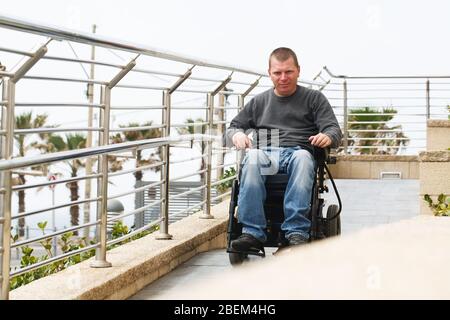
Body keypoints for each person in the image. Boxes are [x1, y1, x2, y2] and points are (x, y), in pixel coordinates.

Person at [225, 47, 342, 252]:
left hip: (298, 152)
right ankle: (252, 233)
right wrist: (237, 135)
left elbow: (333, 129)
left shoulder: (314, 99)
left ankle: (296, 232)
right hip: (265, 154)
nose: (283, 77)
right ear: (269, 73)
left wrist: (327, 136)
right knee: (252, 158)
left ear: (298, 70)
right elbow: (233, 127)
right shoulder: (259, 102)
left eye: (288, 72)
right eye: (277, 72)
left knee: (303, 158)